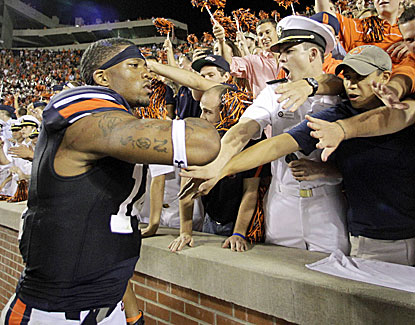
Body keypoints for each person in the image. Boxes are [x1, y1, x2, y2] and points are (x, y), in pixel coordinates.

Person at [1, 37, 220, 325]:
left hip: (107, 303)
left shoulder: (112, 121)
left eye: (148, 66)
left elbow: (105, 228)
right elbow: (204, 142)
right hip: (56, 315)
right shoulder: (86, 117)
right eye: (135, 65)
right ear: (102, 77)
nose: (149, 73)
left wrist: (131, 313)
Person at [213, 45, 415, 266]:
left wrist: (342, 130)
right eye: (347, 77)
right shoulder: (338, 112)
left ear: (385, 76)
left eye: (360, 77)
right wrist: (219, 169)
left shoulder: (406, 109)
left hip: (404, 230)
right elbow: (277, 145)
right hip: (367, 237)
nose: (351, 85)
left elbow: (395, 117)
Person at [180, 16, 350, 254]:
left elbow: (338, 85)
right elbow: (242, 131)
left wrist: (332, 171)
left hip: (326, 202)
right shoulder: (273, 92)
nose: (281, 59)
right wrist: (217, 164)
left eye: (289, 51)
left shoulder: (341, 92)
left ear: (312, 54)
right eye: (279, 52)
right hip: (283, 202)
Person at [169, 85, 268, 252]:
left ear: (228, 110)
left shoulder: (252, 140)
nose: (202, 117)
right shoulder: (198, 139)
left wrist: (239, 233)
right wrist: (185, 232)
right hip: (212, 218)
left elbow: (250, 192)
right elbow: (186, 189)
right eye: (201, 110)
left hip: (243, 224)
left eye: (208, 112)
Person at [213, 18, 279, 98]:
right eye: (260, 35)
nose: (264, 37)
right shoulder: (253, 61)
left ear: (278, 33)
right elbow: (229, 64)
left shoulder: (291, 57)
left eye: (268, 32)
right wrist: (221, 41)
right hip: (266, 109)